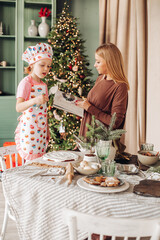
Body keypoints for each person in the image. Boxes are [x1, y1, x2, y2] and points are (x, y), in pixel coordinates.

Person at [76, 42, 129, 137]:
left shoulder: (120, 86)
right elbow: (94, 106)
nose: (94, 65)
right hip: (86, 137)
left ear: (110, 62)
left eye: (98, 62)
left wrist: (89, 107)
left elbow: (115, 122)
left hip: (100, 142)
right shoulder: (100, 78)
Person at [15, 42, 53, 160]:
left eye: (48, 66)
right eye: (42, 65)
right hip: (29, 129)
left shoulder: (44, 85)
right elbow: (18, 107)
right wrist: (35, 100)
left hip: (41, 130)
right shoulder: (26, 82)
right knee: (30, 163)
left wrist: (47, 129)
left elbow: (44, 110)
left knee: (39, 161)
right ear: (32, 64)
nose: (46, 69)